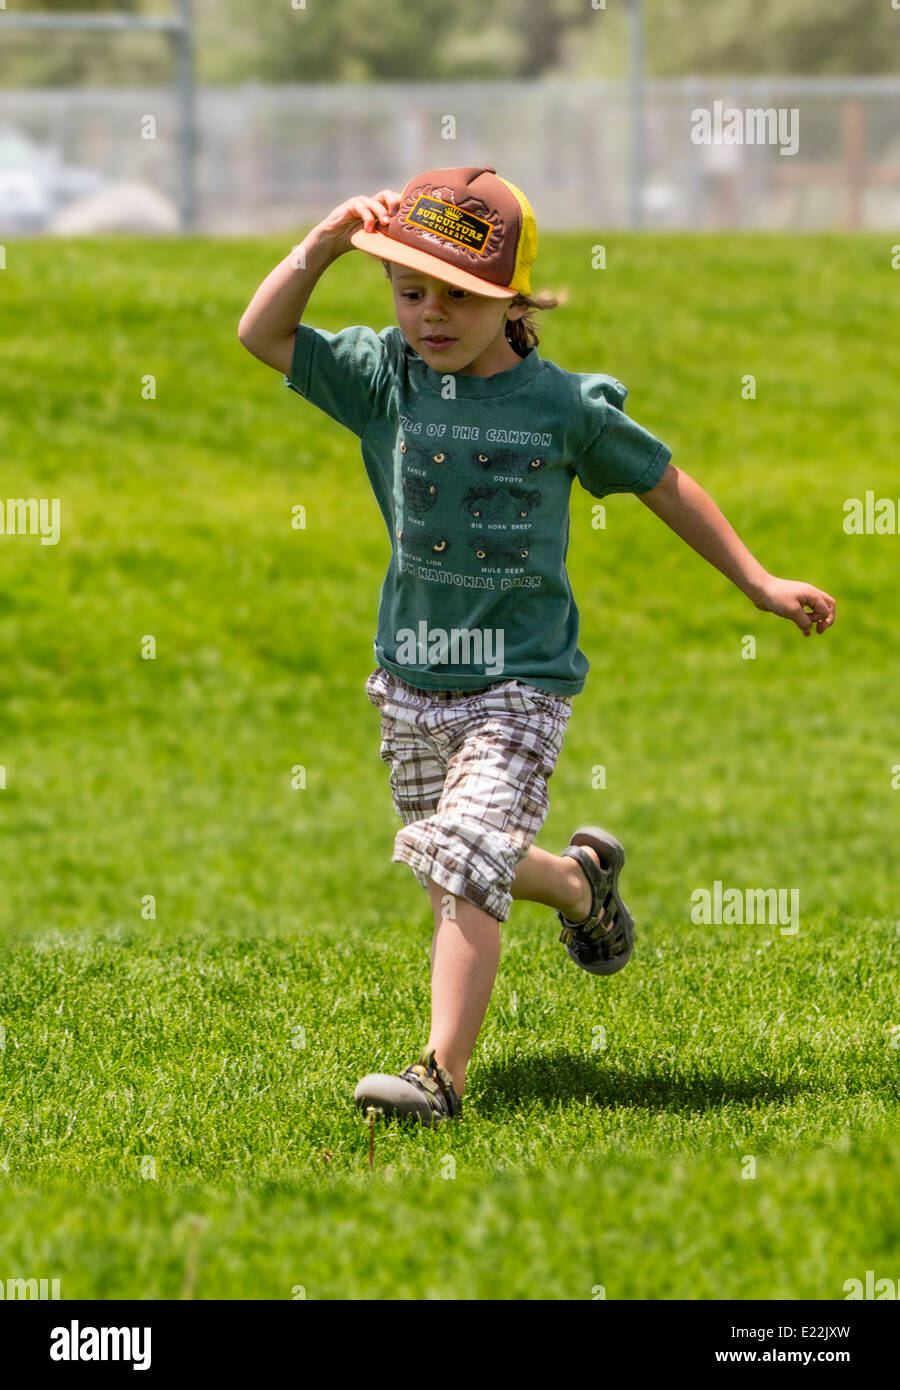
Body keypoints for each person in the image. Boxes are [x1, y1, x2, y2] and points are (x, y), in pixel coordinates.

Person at [238, 165, 835, 1126]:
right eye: (410, 289)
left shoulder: (562, 407)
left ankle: (439, 1079)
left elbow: (662, 480)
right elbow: (261, 335)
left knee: (466, 850)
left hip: (521, 682)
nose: (431, 314)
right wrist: (323, 245)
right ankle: (577, 883)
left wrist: (759, 581)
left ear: (512, 299)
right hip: (411, 677)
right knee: (466, 857)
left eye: (460, 295)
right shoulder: (384, 377)